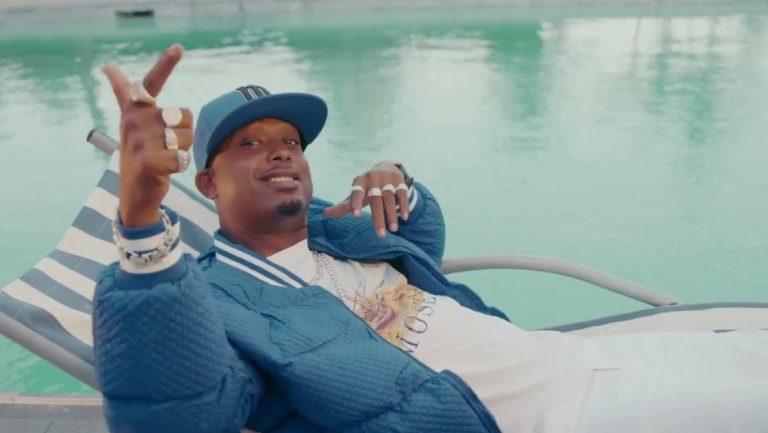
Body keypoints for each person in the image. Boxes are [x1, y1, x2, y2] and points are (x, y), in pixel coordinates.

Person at [94, 44, 768, 433]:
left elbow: (419, 235)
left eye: (290, 141)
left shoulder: (332, 229)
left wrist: (399, 178)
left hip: (573, 355)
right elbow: (180, 411)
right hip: (551, 414)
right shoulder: (218, 298)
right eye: (249, 144)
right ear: (207, 184)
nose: (280, 152)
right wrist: (142, 220)